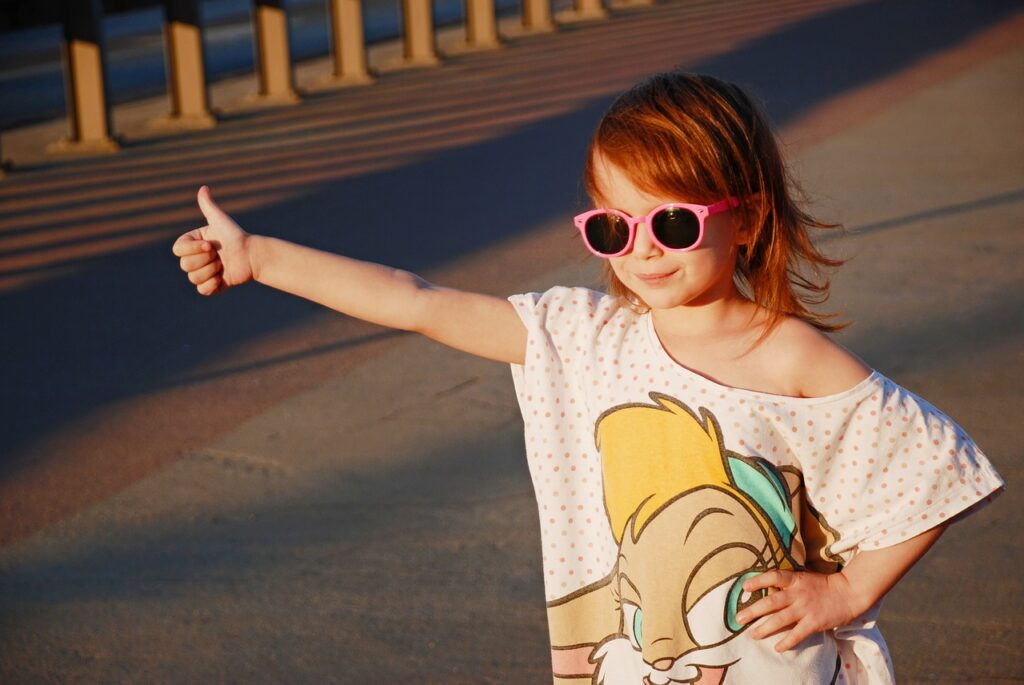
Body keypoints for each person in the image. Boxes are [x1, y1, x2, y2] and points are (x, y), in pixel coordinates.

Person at [172, 72, 1002, 684]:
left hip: (766, 664)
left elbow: (935, 464)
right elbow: (416, 302)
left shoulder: (786, 353)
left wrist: (847, 590)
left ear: (744, 218)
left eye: (674, 221)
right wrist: (259, 258)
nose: (643, 248)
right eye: (614, 225)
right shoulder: (581, 336)